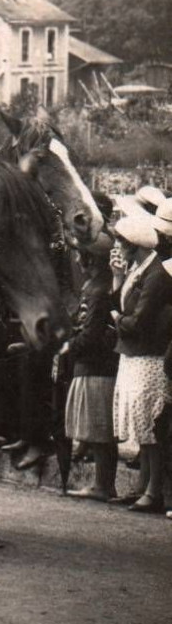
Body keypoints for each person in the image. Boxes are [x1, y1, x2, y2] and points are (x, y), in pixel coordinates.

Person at [109, 192, 172, 513]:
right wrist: (118, 279)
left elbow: (140, 318)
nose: (117, 249)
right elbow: (121, 303)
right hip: (133, 354)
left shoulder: (158, 274)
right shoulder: (141, 270)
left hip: (148, 355)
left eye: (122, 243)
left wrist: (120, 321)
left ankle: (152, 489)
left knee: (149, 424)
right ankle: (143, 485)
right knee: (140, 423)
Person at [62, 233, 121, 501]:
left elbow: (91, 334)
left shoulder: (98, 290)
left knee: (99, 429)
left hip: (96, 366)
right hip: (91, 365)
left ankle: (103, 484)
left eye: (81, 254)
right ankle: (102, 483)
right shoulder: (94, 287)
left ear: (91, 260)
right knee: (97, 429)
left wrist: (68, 347)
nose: (77, 258)